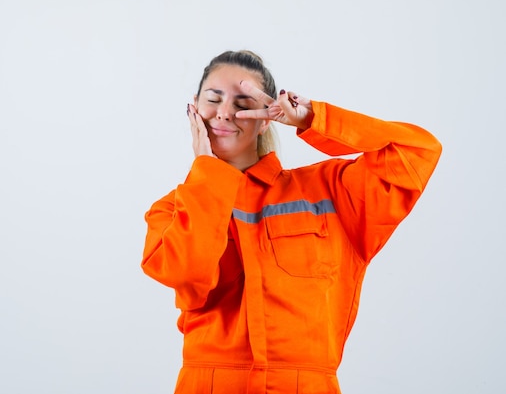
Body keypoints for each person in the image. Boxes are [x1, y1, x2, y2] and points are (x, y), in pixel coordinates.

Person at [141, 50, 442, 394]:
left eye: (243, 102)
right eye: (213, 98)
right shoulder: (172, 208)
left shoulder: (331, 192)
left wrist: (314, 119)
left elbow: (418, 150)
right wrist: (207, 172)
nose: (224, 112)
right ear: (194, 106)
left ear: (266, 118)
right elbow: (186, 274)